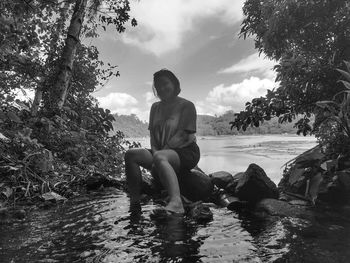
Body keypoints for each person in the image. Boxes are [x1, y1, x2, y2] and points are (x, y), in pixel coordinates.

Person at [124, 69, 200, 216]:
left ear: (174, 84)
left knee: (160, 158)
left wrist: (159, 155)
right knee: (131, 154)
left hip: (185, 151)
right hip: (161, 152)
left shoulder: (187, 105)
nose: (162, 88)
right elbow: (152, 135)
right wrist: (156, 151)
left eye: (165, 83)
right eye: (158, 86)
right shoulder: (155, 107)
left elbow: (183, 135)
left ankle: (176, 202)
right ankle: (135, 200)